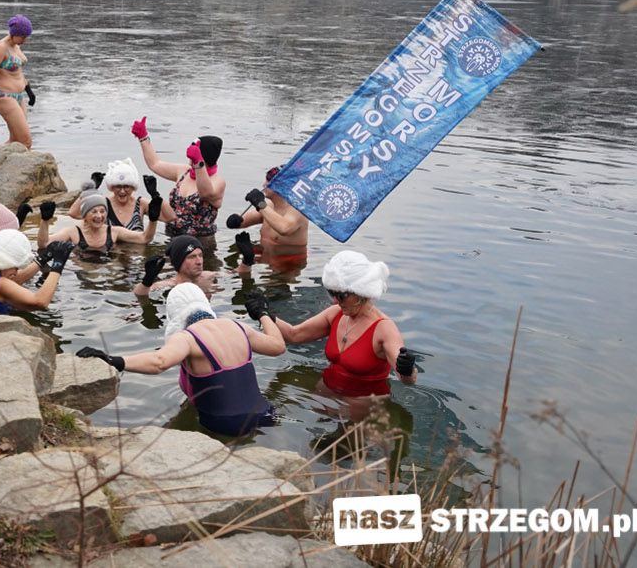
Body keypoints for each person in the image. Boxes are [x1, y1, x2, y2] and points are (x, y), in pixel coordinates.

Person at [76, 284, 282, 436]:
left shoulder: (187, 338)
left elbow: (159, 362)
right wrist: (263, 313)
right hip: (265, 415)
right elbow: (277, 346)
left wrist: (112, 360)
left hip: (221, 425)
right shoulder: (238, 326)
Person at [271, 250, 418, 398]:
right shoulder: (335, 313)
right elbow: (294, 335)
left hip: (362, 406)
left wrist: (407, 369)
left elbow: (407, 380)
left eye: (341, 296)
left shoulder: (384, 328)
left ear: (360, 292)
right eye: (332, 293)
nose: (335, 301)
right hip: (325, 399)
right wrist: (265, 314)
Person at [131, 118, 225, 243]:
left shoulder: (218, 181)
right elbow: (155, 164)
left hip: (201, 244)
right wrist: (143, 138)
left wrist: (198, 163)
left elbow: (205, 193)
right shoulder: (184, 171)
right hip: (172, 238)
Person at [37, 191, 160, 257]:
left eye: (102, 211)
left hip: (109, 272)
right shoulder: (72, 232)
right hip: (82, 272)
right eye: (94, 212)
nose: (99, 216)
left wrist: (153, 220)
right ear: (84, 215)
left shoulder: (114, 231)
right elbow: (44, 244)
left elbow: (144, 238)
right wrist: (45, 221)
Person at [225, 166, 309, 249]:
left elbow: (284, 228)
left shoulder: (298, 210)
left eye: (268, 181)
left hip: (289, 256)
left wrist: (260, 204)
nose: (264, 185)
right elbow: (244, 220)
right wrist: (235, 221)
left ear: (281, 186)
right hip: (266, 253)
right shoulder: (270, 206)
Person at [0, 14, 35, 148]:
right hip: (6, 97)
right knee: (26, 142)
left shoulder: (16, 45)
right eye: (23, 37)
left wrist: (29, 90)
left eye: (27, 37)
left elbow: (18, 72)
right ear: (14, 33)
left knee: (16, 140)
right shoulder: (1, 47)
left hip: (20, 97)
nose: (25, 40)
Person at [68, 158, 155, 230]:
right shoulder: (103, 202)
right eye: (118, 187)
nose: (122, 191)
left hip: (136, 245)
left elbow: (164, 216)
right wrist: (89, 191)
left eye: (126, 187)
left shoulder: (141, 203)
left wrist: (155, 195)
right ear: (112, 187)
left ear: (133, 187)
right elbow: (73, 213)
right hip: (110, 246)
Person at [134, 234, 218, 298]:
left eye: (200, 255)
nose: (199, 262)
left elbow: (227, 274)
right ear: (179, 261)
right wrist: (147, 281)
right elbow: (139, 296)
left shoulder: (208, 276)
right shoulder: (168, 285)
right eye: (192, 257)